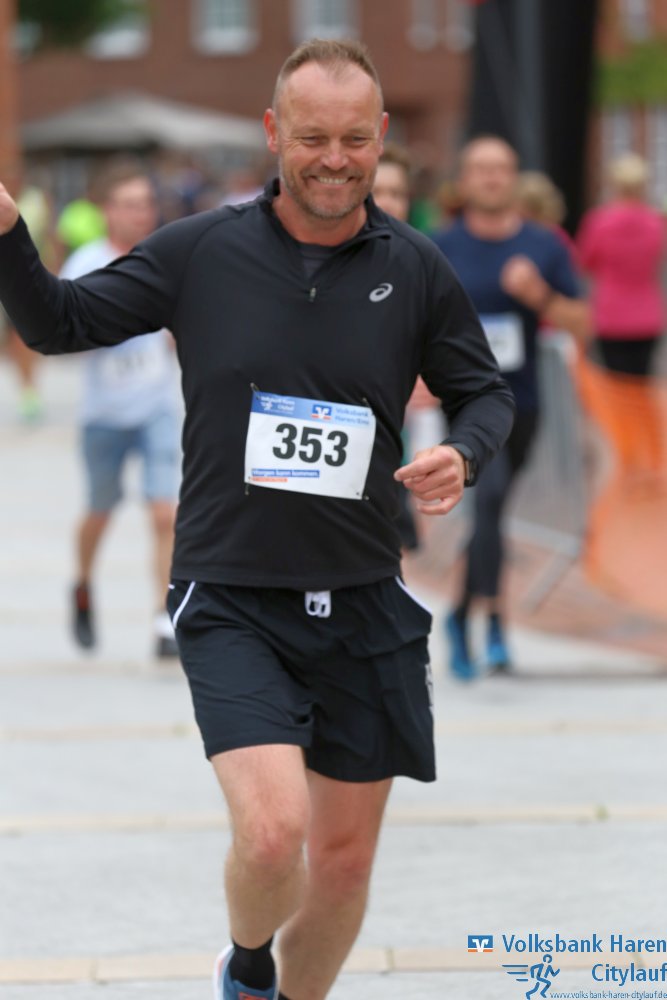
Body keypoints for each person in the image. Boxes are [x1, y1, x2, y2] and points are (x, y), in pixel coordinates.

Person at [0, 40, 514, 1000]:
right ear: (274, 132)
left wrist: (466, 451)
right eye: (312, 137)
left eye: (353, 139)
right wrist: (7, 234)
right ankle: (245, 969)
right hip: (233, 591)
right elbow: (58, 321)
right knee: (275, 834)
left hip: (363, 600)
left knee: (343, 867)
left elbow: (483, 392)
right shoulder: (202, 250)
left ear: (381, 137)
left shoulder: (413, 267)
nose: (334, 159)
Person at [432, 135, 589, 680]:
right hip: (464, 403)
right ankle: (488, 624)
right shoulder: (441, 246)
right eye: (481, 168)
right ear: (464, 180)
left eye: (501, 168)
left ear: (514, 178)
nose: (492, 177)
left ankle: (465, 616)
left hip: (523, 401)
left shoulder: (542, 246)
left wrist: (538, 296)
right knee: (491, 498)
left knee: (491, 512)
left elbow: (583, 322)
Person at [58, 159, 181, 658]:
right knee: (100, 511)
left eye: (147, 204)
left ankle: (164, 617)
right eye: (130, 205)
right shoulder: (86, 263)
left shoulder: (164, 256)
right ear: (107, 210)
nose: (141, 214)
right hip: (104, 415)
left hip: (157, 409)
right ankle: (83, 584)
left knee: (164, 514)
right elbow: (63, 331)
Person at [576, 152, 666, 376]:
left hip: (611, 314)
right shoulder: (656, 223)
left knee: (614, 384)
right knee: (641, 383)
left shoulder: (599, 222)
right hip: (647, 315)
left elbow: (584, 262)